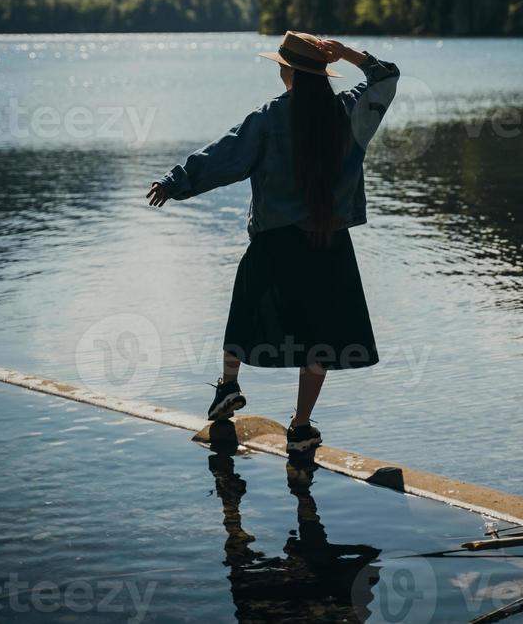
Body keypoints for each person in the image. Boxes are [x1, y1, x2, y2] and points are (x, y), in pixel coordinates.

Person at [146, 31, 399, 454]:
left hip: (276, 242)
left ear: (288, 71)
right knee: (319, 338)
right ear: (322, 71)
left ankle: (228, 387)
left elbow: (222, 157)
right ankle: (300, 429)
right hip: (329, 244)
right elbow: (386, 77)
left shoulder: (267, 119)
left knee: (244, 311)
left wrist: (176, 182)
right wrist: (351, 54)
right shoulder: (350, 111)